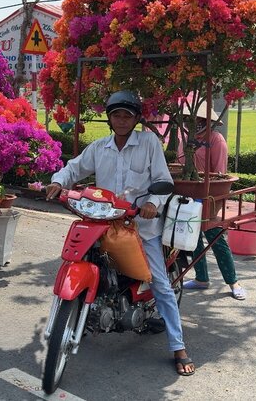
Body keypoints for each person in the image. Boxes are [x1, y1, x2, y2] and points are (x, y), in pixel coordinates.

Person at [45, 90, 196, 377]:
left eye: (128, 115)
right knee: (87, 261)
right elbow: (74, 168)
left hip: (141, 225)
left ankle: (178, 346)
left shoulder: (149, 142)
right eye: (117, 115)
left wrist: (153, 203)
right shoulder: (100, 147)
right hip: (104, 221)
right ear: (109, 119)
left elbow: (163, 180)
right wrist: (57, 182)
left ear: (137, 119)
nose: (122, 120)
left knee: (161, 284)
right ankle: (82, 313)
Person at [179, 107, 247, 300]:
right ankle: (201, 278)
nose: (193, 122)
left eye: (199, 119)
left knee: (214, 236)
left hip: (207, 194)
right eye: (188, 119)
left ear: (207, 121)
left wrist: (213, 195)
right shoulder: (184, 138)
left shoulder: (215, 139)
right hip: (186, 193)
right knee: (192, 237)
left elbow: (220, 173)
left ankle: (233, 281)